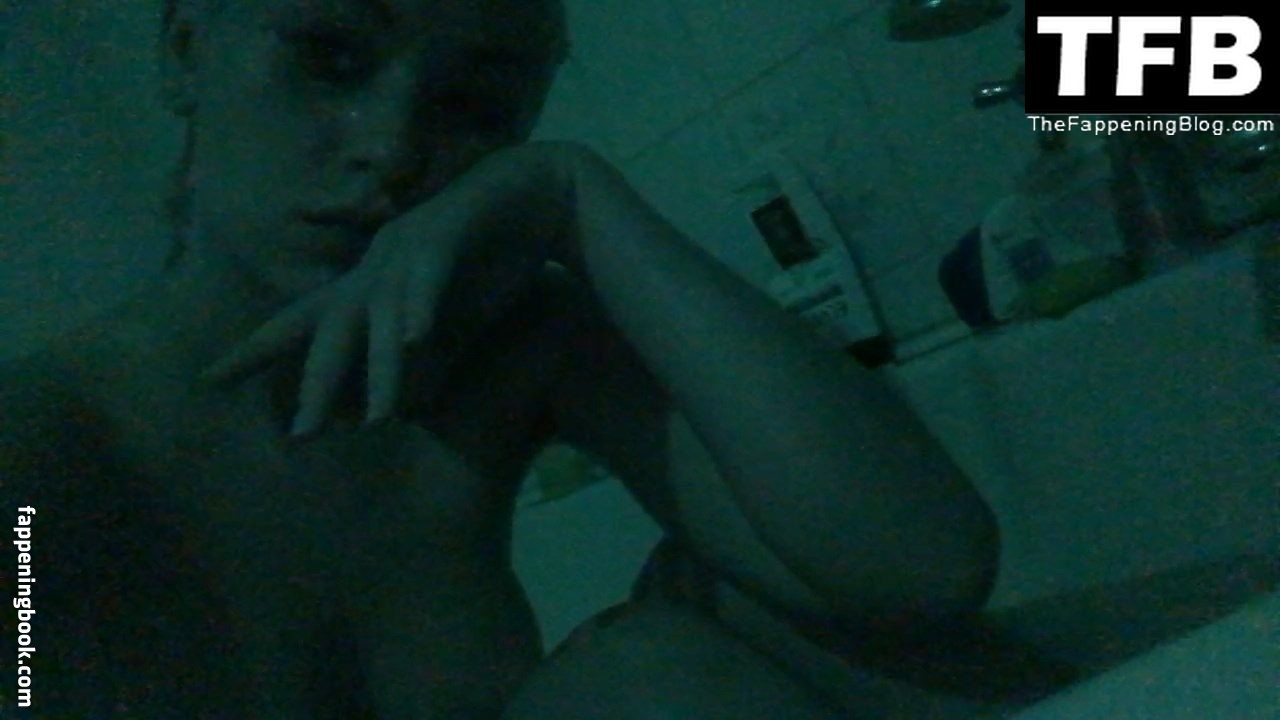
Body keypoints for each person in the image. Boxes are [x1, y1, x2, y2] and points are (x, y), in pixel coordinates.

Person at [0, 0, 1002, 717]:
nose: (393, 148)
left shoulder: (509, 348)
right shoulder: (42, 452)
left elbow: (923, 572)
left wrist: (575, 198)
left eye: (478, 106)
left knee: (707, 624)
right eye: (329, 58)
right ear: (184, 49)